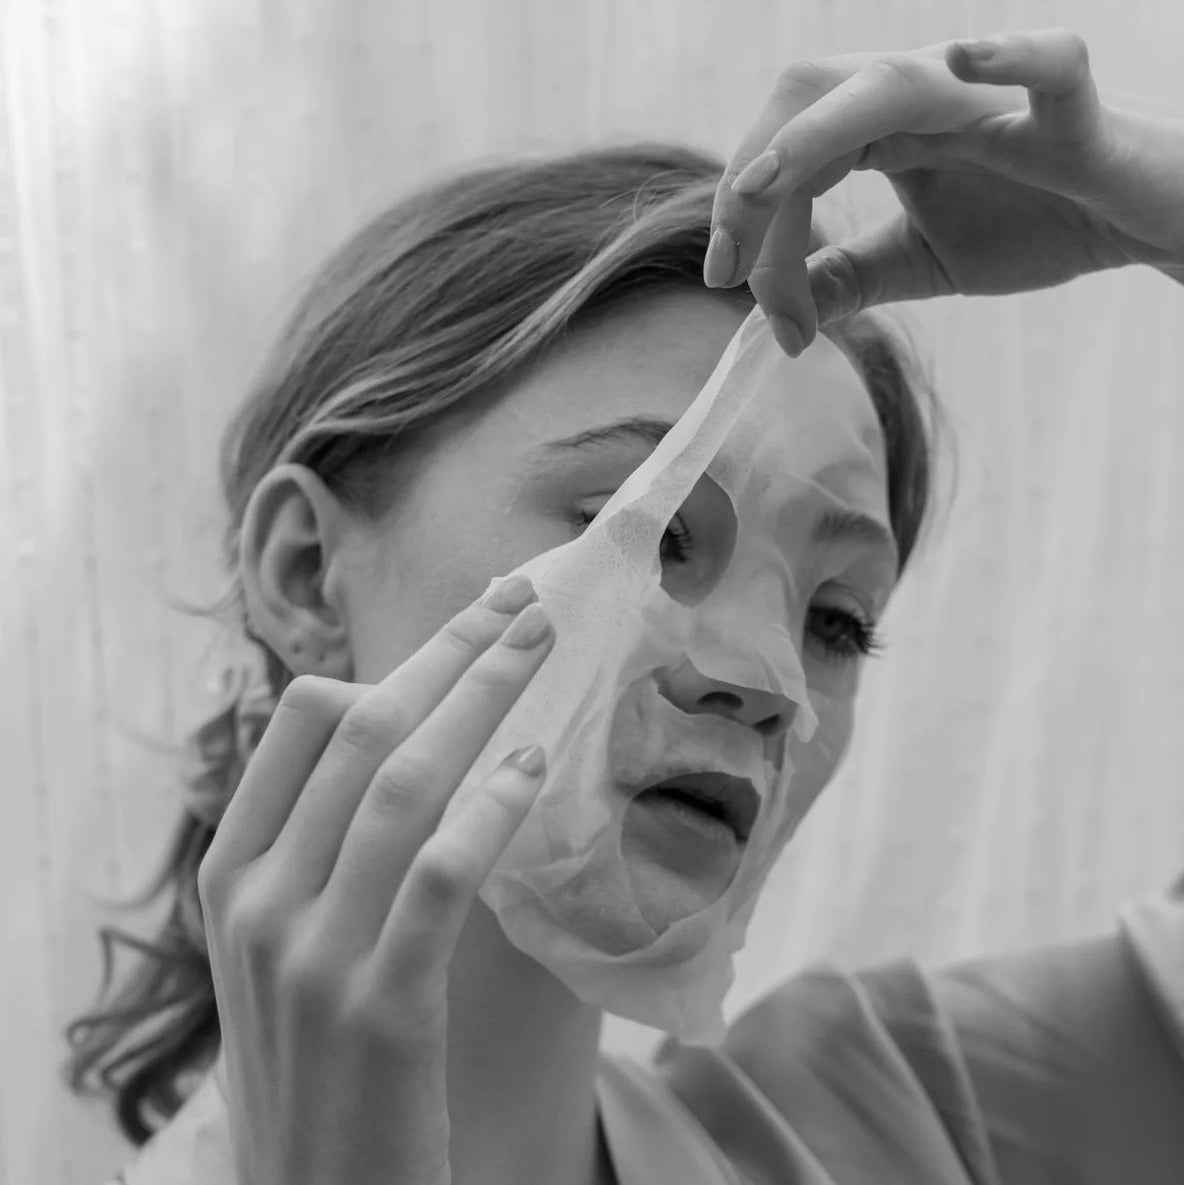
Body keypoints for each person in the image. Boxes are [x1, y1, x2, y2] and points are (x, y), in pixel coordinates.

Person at [64, 26, 1184, 1185]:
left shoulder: (883, 1117)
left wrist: (1152, 210)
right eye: (646, 530)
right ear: (304, 571)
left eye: (835, 620)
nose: (767, 679)